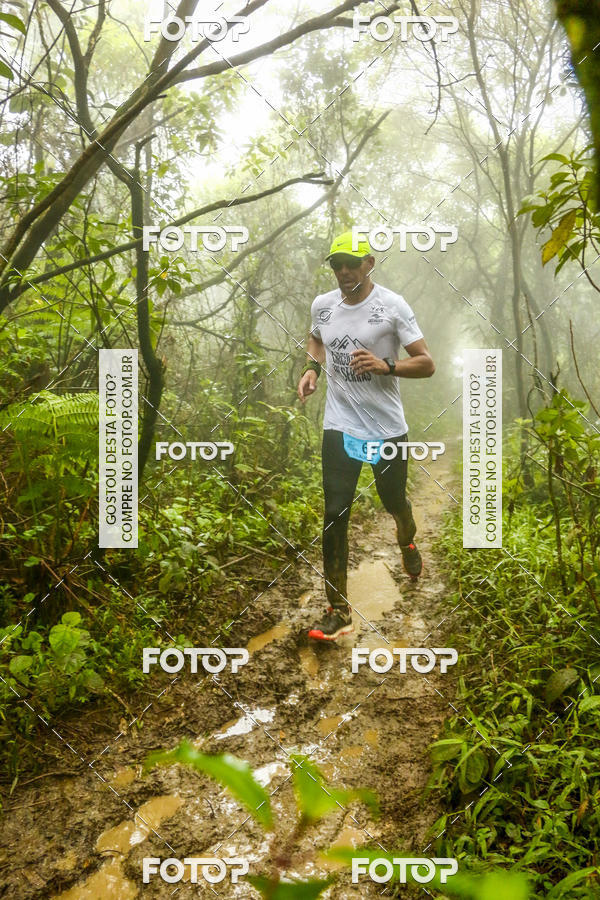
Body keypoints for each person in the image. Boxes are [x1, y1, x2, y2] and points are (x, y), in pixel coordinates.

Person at [297, 231, 435, 641]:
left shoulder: (392, 306)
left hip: (385, 429)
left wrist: (386, 365)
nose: (343, 271)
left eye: (351, 264)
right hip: (339, 426)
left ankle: (407, 542)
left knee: (393, 502)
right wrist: (312, 369)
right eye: (336, 264)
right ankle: (337, 610)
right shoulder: (323, 306)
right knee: (334, 514)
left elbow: (427, 363)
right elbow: (316, 339)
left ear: (369, 264)